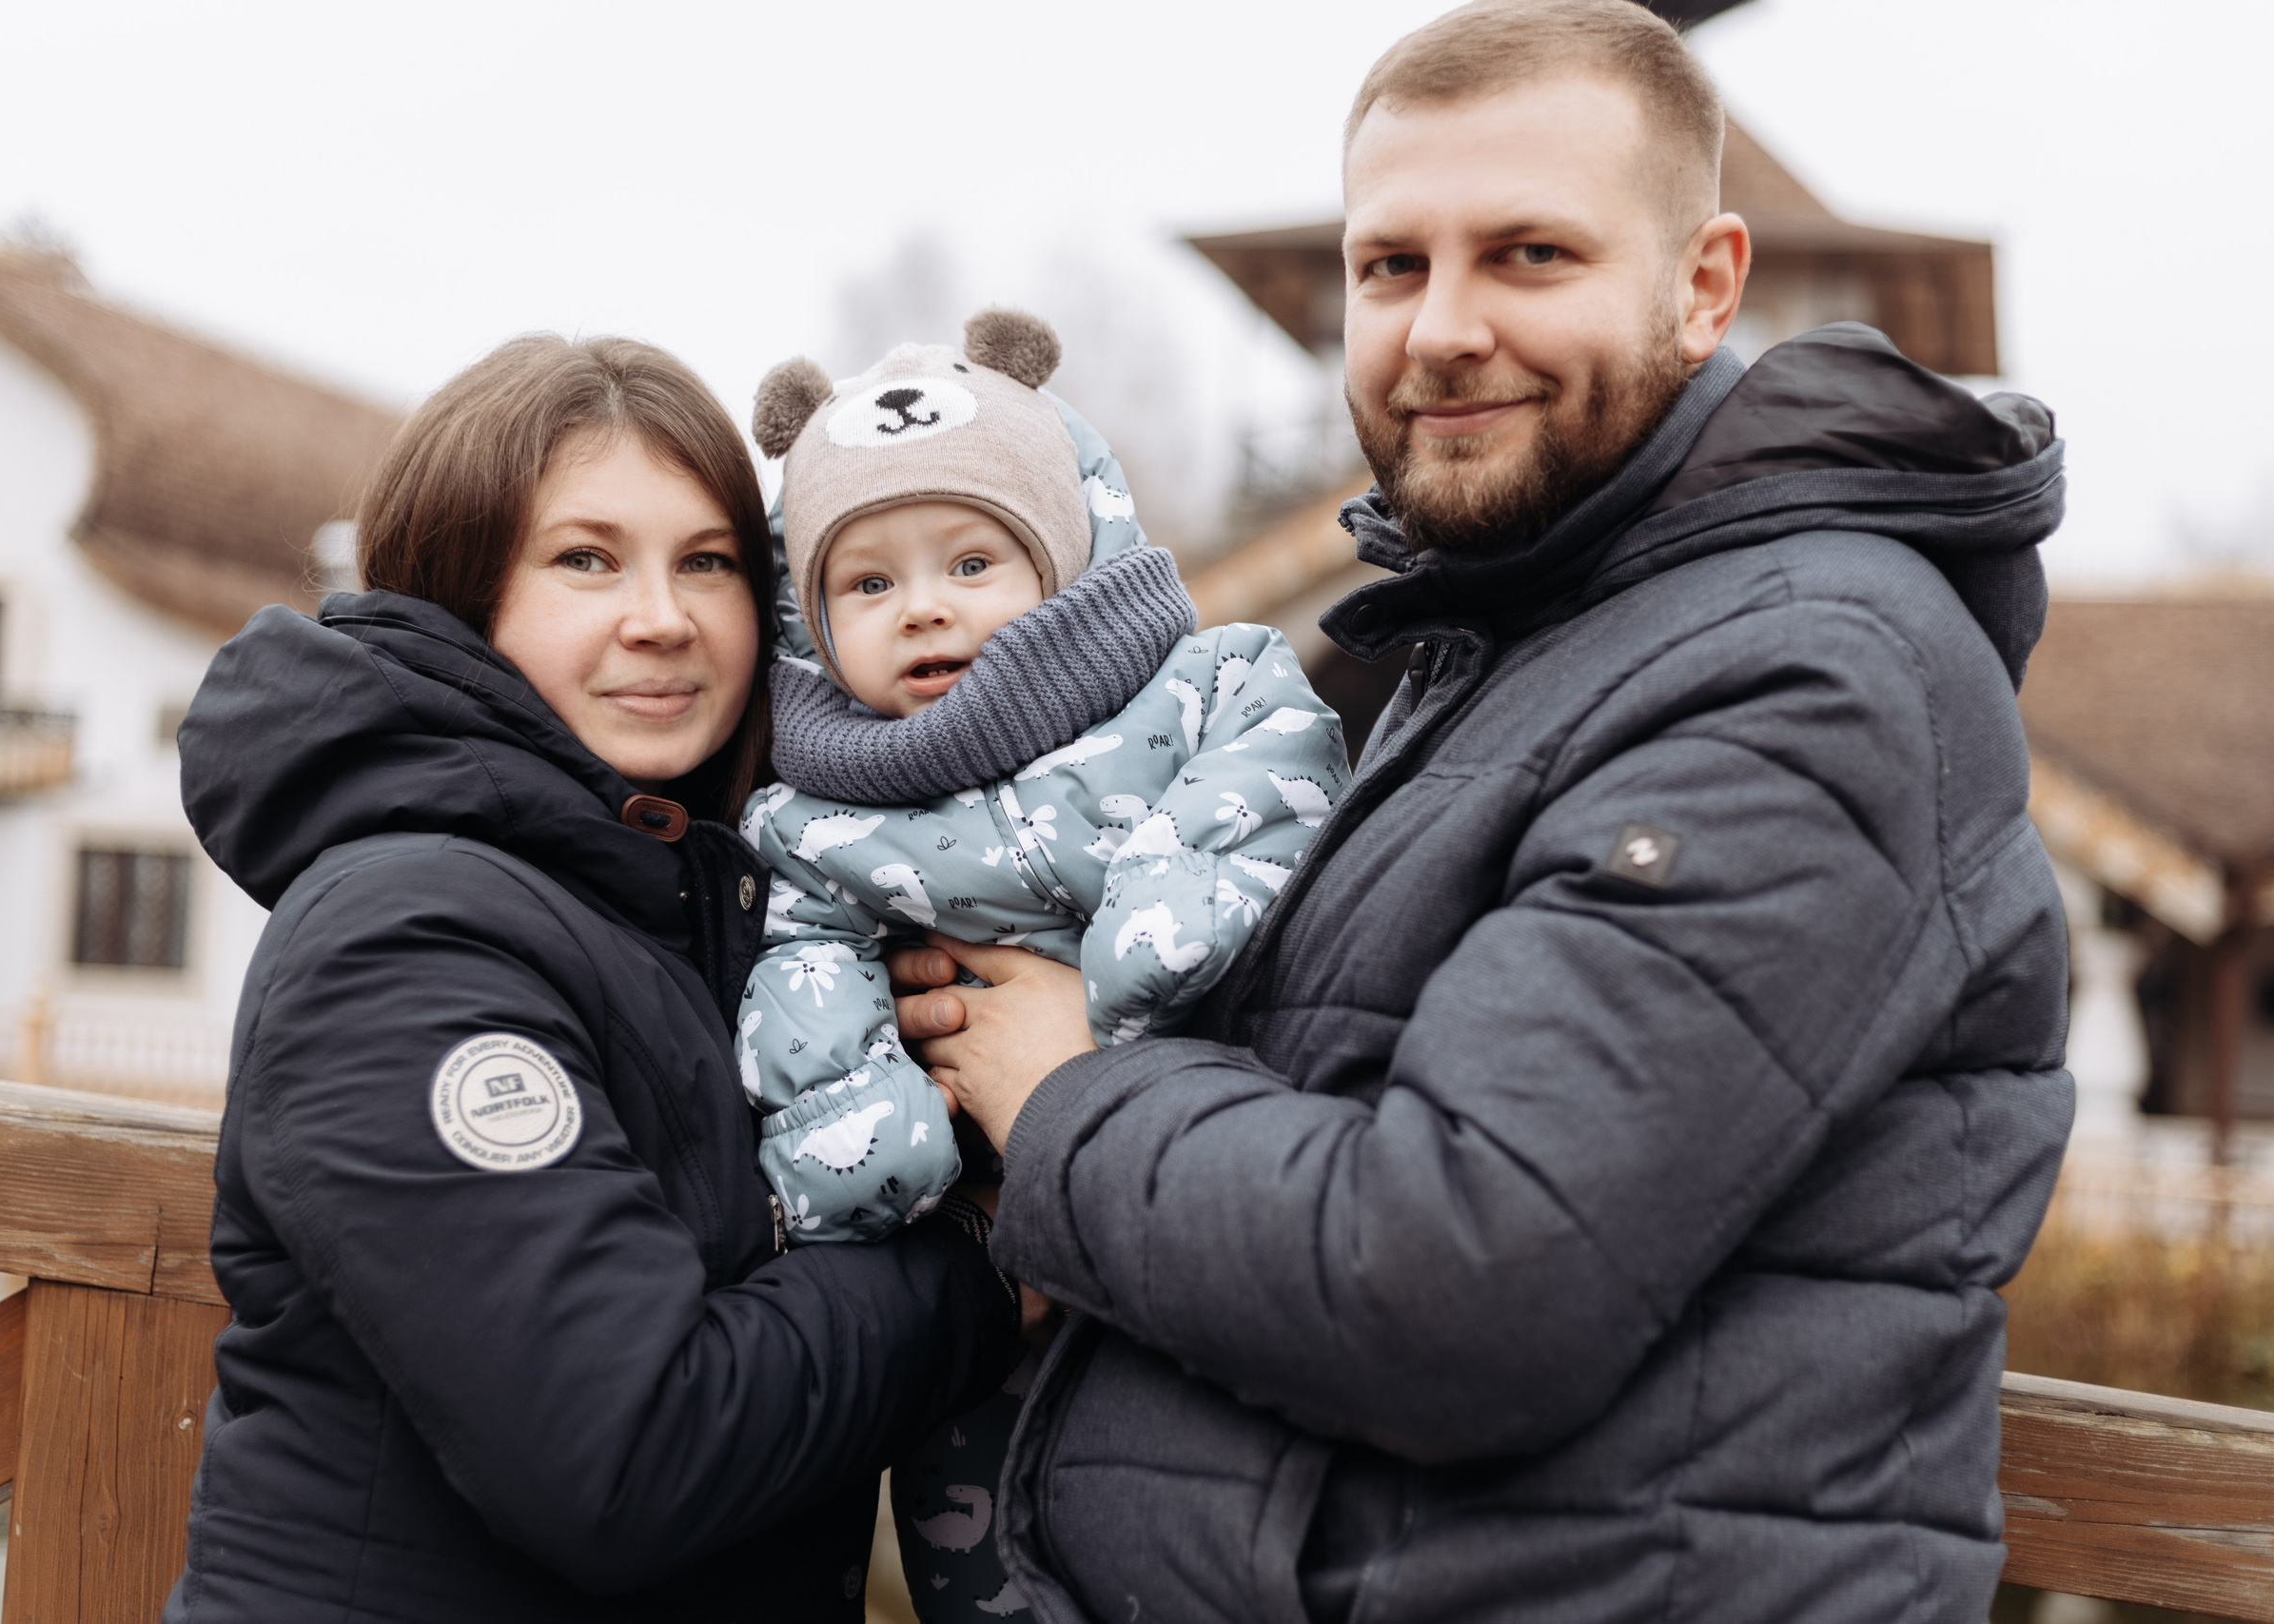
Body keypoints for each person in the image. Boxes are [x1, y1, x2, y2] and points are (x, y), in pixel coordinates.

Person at [887, 2, 2074, 1619]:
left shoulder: (1804, 675)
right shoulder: (1519, 635)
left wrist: (1063, 1098)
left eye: (1529, 256)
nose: (1440, 328)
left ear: (1704, 284)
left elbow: (1452, 1288)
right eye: (1392, 266)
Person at [167, 334, 1020, 1623]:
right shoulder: (403, 938)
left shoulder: (695, 903)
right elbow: (624, 1456)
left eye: (709, 563)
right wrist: (991, 1260)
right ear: (459, 596)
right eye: (586, 559)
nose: (662, 618)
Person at [733, 308, 1346, 1618]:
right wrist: (855, 1121)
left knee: (1191, 1528)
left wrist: (1160, 917)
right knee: (980, 1549)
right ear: (812, 618)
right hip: (978, 1250)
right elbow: (802, 965)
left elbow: (1277, 769)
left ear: (1063, 560)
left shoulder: (1194, 689)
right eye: (871, 584)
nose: (927, 608)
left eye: (971, 559)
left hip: (1194, 1192)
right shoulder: (815, 814)